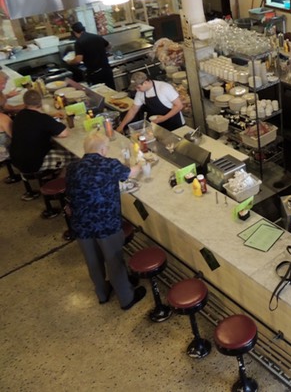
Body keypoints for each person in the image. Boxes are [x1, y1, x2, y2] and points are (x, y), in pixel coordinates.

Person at [66, 132, 146, 309]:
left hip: (80, 224)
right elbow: (131, 173)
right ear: (103, 149)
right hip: (106, 224)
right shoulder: (108, 164)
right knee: (114, 260)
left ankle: (102, 293)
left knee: (93, 261)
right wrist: (140, 163)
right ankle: (127, 298)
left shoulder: (73, 167)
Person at [10, 90, 76, 180]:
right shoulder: (43, 119)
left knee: (58, 147)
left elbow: (35, 121)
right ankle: (62, 180)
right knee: (74, 156)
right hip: (34, 163)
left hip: (17, 159)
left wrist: (50, 117)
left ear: (25, 103)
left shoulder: (20, 115)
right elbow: (64, 133)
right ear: (41, 102)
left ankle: (55, 173)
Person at [116, 72, 184, 133]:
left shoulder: (164, 88)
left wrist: (163, 118)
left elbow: (179, 106)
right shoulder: (140, 93)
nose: (137, 90)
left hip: (174, 124)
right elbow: (133, 110)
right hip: (158, 126)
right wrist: (121, 126)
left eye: (138, 87)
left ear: (145, 82)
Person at [67, 22, 114, 89]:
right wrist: (103, 52)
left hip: (96, 74)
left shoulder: (79, 42)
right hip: (107, 70)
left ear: (74, 32)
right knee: (112, 92)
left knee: (102, 94)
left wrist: (70, 62)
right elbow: (109, 45)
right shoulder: (96, 36)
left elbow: (78, 60)